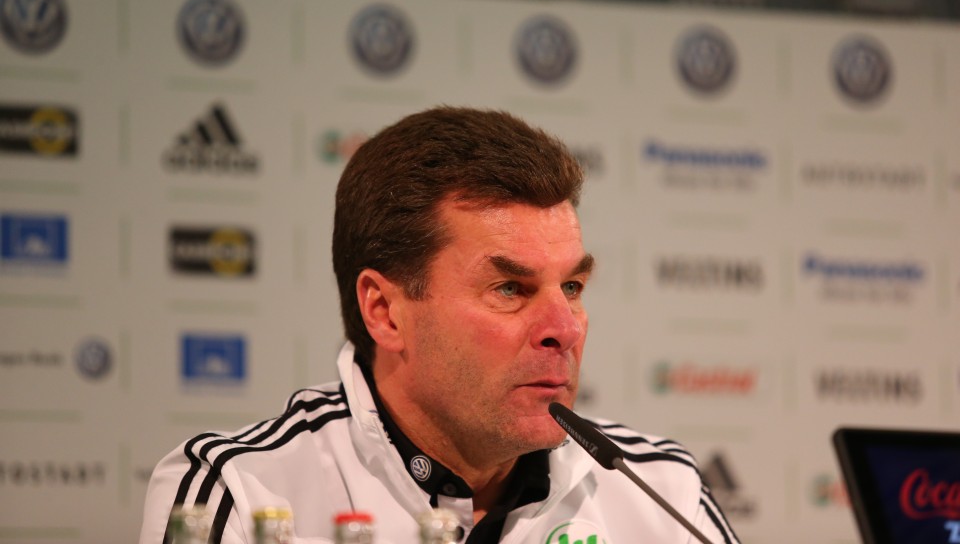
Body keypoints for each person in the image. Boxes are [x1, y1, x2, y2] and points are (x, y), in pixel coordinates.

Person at [140, 106, 740, 544]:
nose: (566, 328)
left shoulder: (659, 491)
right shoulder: (238, 492)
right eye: (510, 289)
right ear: (384, 311)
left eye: (572, 288)